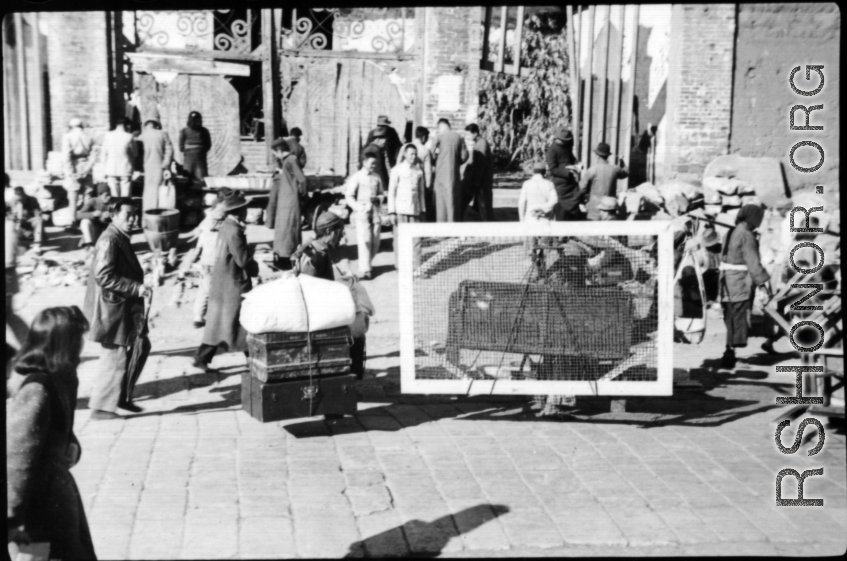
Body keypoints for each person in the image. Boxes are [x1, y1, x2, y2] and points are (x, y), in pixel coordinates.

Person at [6, 306, 97, 560]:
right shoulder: (37, 388)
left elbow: (59, 428)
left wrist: (72, 445)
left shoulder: (62, 376)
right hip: (36, 504)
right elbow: (17, 459)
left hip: (53, 495)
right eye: (78, 338)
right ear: (63, 342)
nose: (82, 345)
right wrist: (12, 517)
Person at [83, 198, 152, 419]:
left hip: (119, 306)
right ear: (113, 215)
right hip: (111, 310)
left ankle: (119, 396)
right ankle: (102, 408)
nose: (133, 220)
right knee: (115, 356)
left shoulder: (119, 236)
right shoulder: (110, 240)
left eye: (135, 215)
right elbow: (104, 275)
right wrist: (136, 288)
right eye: (127, 215)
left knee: (140, 346)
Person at [193, 190, 259, 371]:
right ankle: (253, 359)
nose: (247, 211)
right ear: (239, 211)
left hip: (223, 280)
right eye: (245, 208)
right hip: (234, 284)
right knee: (243, 322)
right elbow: (243, 260)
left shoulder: (226, 226)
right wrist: (253, 261)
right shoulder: (235, 231)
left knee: (219, 325)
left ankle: (202, 358)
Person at [719, 204, 771, 369]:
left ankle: (729, 351)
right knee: (739, 318)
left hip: (726, 282)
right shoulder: (746, 235)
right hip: (739, 283)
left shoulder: (730, 232)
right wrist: (762, 283)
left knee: (731, 318)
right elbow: (753, 262)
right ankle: (729, 353)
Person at [185, 193, 225, 328]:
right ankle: (216, 318)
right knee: (217, 290)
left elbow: (198, 247)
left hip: (205, 263)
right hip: (217, 263)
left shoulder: (206, 229)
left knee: (204, 290)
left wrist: (192, 260)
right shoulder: (224, 231)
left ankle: (198, 316)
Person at [267, 138, 307, 270]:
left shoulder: (291, 160)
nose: (275, 156)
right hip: (285, 200)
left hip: (290, 201)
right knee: (282, 230)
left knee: (289, 230)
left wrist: (301, 196)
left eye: (275, 153)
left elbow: (302, 179)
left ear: (279, 150)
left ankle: (288, 260)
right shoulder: (286, 161)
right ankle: (281, 258)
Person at [345, 154, 384, 280]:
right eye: (371, 163)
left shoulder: (377, 177)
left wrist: (378, 199)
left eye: (375, 164)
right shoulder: (357, 177)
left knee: (376, 239)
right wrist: (358, 207)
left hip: (375, 211)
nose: (374, 166)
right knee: (364, 240)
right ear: (364, 162)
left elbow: (382, 193)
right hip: (362, 211)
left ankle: (368, 264)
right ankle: (365, 270)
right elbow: (349, 196)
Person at [388, 143, 426, 269]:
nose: (414, 157)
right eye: (411, 154)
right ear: (404, 154)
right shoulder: (396, 170)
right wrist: (392, 212)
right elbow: (391, 192)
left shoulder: (419, 171)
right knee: (400, 240)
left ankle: (417, 267)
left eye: (415, 154)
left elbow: (421, 192)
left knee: (416, 240)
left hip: (414, 210)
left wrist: (422, 210)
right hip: (400, 211)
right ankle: (400, 266)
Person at [579, 142, 628, 221]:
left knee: (594, 232)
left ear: (597, 155)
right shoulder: (614, 169)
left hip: (595, 210)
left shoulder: (592, 170)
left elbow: (581, 188)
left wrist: (582, 201)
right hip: (610, 210)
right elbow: (626, 172)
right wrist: (621, 160)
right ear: (608, 156)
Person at [432, 118, 469, 222]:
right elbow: (465, 156)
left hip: (440, 175)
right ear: (448, 125)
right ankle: (453, 227)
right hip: (454, 175)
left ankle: (442, 228)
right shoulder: (459, 137)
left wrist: (438, 162)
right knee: (453, 200)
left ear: (440, 126)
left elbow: (432, 155)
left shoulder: (438, 137)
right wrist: (456, 163)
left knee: (441, 202)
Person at [291, 211, 346, 281]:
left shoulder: (322, 248)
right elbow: (308, 283)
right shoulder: (316, 253)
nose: (341, 236)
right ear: (328, 231)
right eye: (340, 232)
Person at [518, 162, 558, 256]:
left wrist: (522, 220)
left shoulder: (526, 184)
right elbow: (555, 200)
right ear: (544, 172)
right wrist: (543, 210)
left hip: (530, 220)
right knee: (543, 250)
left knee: (532, 249)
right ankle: (541, 264)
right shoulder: (549, 184)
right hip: (545, 220)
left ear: (533, 172)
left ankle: (535, 261)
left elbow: (521, 202)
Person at [61, 118, 96, 223]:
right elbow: (93, 155)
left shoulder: (67, 136)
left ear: (71, 126)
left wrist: (70, 172)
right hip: (86, 166)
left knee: (73, 197)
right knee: (87, 195)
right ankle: (87, 220)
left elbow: (66, 156)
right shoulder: (89, 137)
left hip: (74, 166)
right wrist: (87, 169)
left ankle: (73, 221)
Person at [6, 204, 29, 355]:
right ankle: (31, 347)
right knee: (9, 315)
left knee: (8, 314)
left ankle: (30, 348)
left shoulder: (8, 226)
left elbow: (8, 257)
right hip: (8, 274)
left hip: (5, 273)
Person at [546, 127, 581, 221]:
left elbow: (572, 158)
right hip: (560, 186)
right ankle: (562, 234)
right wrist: (568, 171)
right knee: (562, 212)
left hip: (571, 184)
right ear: (558, 139)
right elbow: (552, 169)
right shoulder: (551, 150)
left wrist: (577, 164)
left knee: (574, 209)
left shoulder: (566, 147)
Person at [138, 118, 174, 212]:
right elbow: (169, 151)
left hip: (146, 168)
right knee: (160, 193)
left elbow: (137, 154)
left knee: (148, 194)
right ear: (156, 125)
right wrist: (166, 165)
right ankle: (159, 216)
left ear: (146, 126)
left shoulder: (141, 136)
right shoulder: (163, 134)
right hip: (159, 167)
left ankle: (147, 218)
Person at [99, 117, 138, 198]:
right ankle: (125, 209)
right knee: (126, 195)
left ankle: (116, 210)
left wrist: (103, 169)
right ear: (127, 126)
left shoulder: (107, 135)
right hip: (125, 169)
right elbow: (135, 154)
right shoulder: (129, 137)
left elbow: (103, 154)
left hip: (111, 168)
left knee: (114, 194)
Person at [463, 124, 495, 221]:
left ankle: (487, 226)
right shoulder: (479, 142)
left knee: (484, 204)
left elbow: (480, 164)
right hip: (481, 178)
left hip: (483, 179)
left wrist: (476, 181)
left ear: (475, 133)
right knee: (481, 204)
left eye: (469, 134)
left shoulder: (481, 143)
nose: (467, 137)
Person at [77, 183, 112, 252]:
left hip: (106, 230)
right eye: (106, 195)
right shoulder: (93, 201)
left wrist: (111, 215)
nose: (109, 197)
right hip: (94, 230)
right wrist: (92, 214)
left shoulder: (113, 202)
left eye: (110, 194)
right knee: (85, 221)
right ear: (100, 195)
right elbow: (78, 215)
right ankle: (89, 244)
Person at [179, 111, 213, 182]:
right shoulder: (184, 131)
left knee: (198, 179)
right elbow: (208, 145)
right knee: (190, 179)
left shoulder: (203, 131)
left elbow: (181, 147)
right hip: (193, 157)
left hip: (197, 157)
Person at [11, 186, 44, 252]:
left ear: (24, 194)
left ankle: (37, 244)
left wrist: (36, 213)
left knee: (39, 220)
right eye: (18, 199)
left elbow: (37, 214)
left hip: (29, 221)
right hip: (18, 225)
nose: (20, 201)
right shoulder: (12, 201)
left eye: (21, 198)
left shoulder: (32, 200)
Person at [412, 126, 435, 222]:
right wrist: (428, 186)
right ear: (424, 137)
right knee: (422, 207)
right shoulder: (425, 150)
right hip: (420, 181)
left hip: (406, 181)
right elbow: (428, 171)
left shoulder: (406, 147)